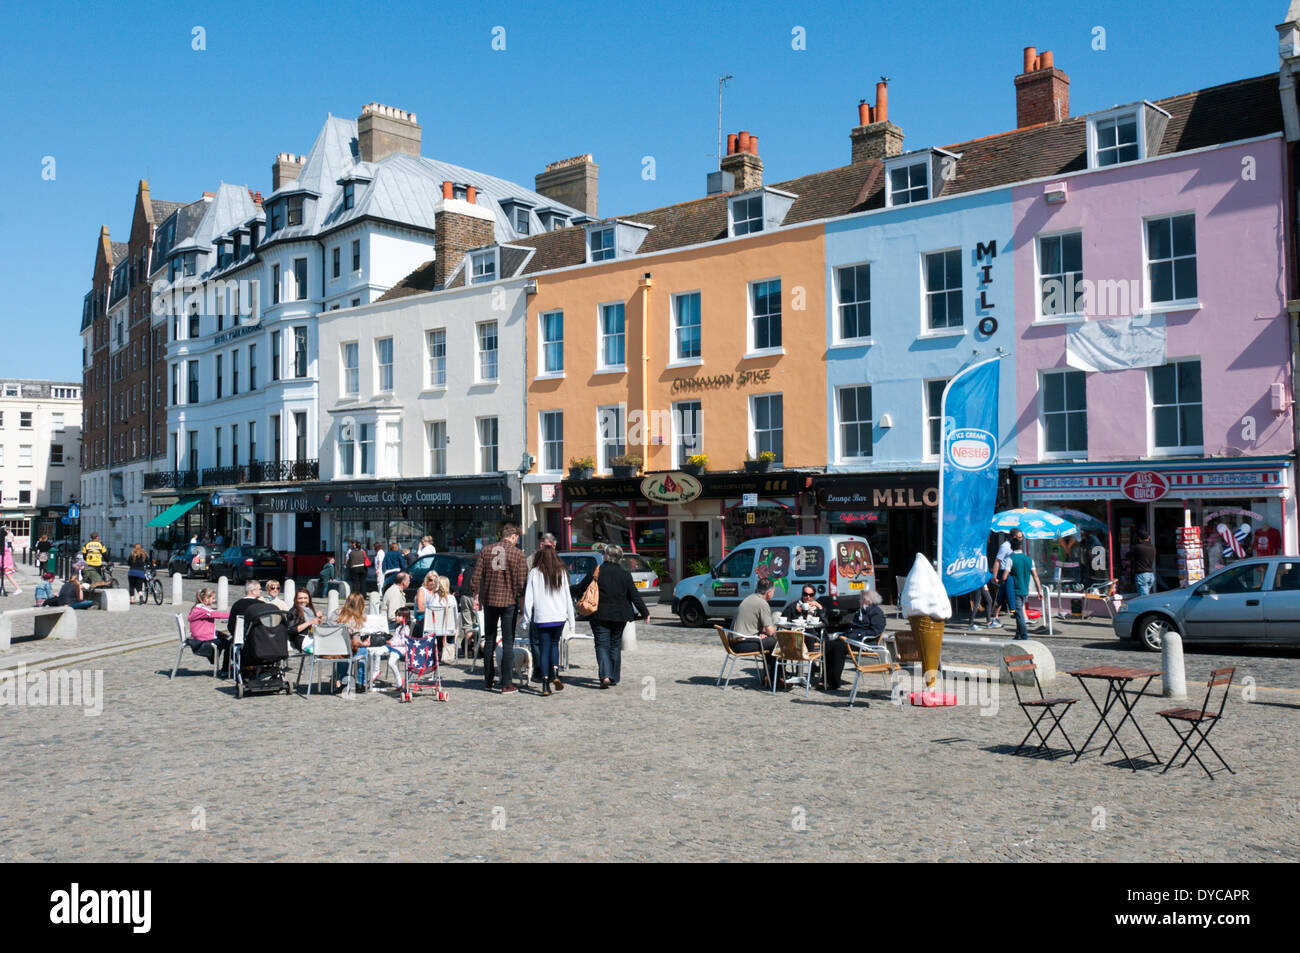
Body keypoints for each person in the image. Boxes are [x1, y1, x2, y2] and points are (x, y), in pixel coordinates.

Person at [572, 543, 649, 689]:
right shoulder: (625, 574)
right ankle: (613, 676)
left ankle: (605, 676)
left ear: (606, 556)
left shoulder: (597, 571)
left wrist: (564, 589)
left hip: (599, 615)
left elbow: (581, 588)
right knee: (615, 645)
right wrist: (645, 612)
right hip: (620, 616)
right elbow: (634, 595)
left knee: (602, 644)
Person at [471, 524, 528, 694]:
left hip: (489, 600)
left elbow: (476, 577)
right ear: (514, 537)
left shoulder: (486, 550)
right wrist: (522, 603)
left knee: (489, 639)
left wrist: (476, 597)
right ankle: (506, 683)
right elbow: (522, 583)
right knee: (508, 642)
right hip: (509, 601)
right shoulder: (518, 554)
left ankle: (488, 680)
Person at [523, 546, 576, 696]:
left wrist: (526, 618)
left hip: (542, 617)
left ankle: (545, 684)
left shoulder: (535, 572)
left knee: (544, 648)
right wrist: (571, 620)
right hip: (559, 617)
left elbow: (529, 598)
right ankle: (556, 673)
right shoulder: (562, 573)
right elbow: (567, 597)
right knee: (554, 645)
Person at [824, 589, 889, 691]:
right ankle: (825, 679)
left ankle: (834, 682)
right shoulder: (860, 611)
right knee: (828, 644)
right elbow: (852, 627)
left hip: (865, 642)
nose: (859, 601)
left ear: (868, 600)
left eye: (861, 599)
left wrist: (855, 636)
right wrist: (844, 635)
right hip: (852, 639)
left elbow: (876, 631)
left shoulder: (876, 612)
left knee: (839, 647)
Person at [729, 576, 780, 686]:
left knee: (768, 642)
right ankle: (777, 678)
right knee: (777, 642)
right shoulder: (762, 603)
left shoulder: (750, 598)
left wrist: (760, 634)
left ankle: (770, 677)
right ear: (769, 592)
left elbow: (754, 625)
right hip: (741, 643)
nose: (773, 594)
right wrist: (781, 631)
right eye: (774, 591)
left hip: (736, 641)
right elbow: (770, 631)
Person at [328, 591, 371, 691]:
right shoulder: (354, 620)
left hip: (330, 649)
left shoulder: (335, 613)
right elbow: (356, 642)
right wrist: (364, 643)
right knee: (363, 651)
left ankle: (342, 679)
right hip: (345, 651)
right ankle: (361, 682)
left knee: (343, 649)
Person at [1007, 536, 1044, 641]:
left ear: (1012, 548)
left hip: (1015, 590)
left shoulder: (1010, 559)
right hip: (1025, 591)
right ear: (1021, 547)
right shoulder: (1029, 560)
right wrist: (1039, 591)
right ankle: (1018, 635)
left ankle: (1024, 635)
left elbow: (1005, 576)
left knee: (1019, 615)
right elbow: (1035, 576)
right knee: (1019, 612)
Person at [226, 580, 264, 675]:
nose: (261, 591)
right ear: (253, 591)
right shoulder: (262, 605)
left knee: (228, 642)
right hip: (260, 641)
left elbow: (230, 626)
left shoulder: (237, 605)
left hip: (241, 640)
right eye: (259, 589)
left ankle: (227, 669)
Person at [188, 587, 231, 668]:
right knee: (229, 644)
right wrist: (233, 614)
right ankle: (226, 669)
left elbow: (205, 625)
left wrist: (217, 633)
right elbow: (217, 614)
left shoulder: (198, 608)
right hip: (202, 638)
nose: (214, 600)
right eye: (213, 598)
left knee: (224, 639)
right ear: (206, 598)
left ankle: (222, 665)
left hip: (200, 635)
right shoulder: (203, 609)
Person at [1130, 530, 1157, 597]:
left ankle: (1148, 607)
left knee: (1144, 597)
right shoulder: (1152, 547)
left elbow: (1128, 555)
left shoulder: (1138, 547)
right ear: (1148, 538)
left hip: (1142, 575)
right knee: (1146, 594)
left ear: (1139, 538)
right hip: (1150, 574)